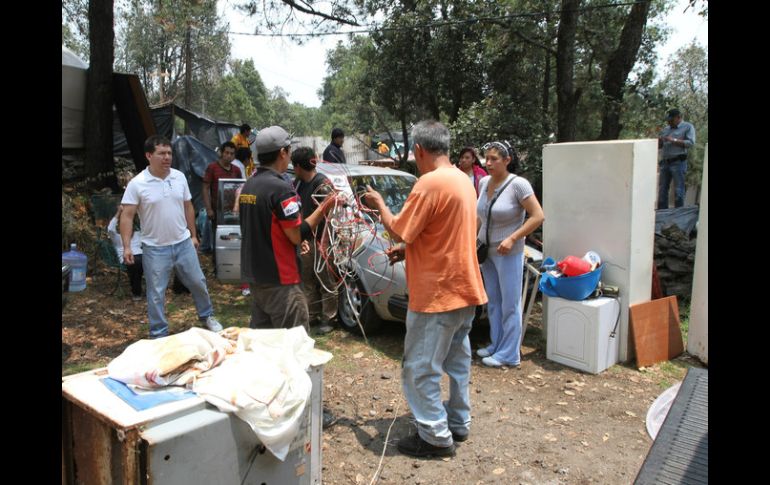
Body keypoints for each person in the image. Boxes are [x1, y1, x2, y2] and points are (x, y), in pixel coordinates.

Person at [362, 120, 487, 458]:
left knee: (420, 367)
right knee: (457, 363)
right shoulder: (463, 181)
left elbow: (399, 229)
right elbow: (446, 233)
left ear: (418, 150)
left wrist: (379, 203)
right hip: (465, 289)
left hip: (437, 295)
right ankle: (458, 422)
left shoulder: (429, 183)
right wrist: (409, 251)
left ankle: (434, 437)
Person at [120, 135, 223, 339]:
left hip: (183, 243)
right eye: (162, 153)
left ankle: (207, 316)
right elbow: (127, 216)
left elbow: (188, 206)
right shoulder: (137, 183)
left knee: (198, 282)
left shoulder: (179, 177)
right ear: (149, 156)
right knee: (156, 293)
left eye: (169, 153)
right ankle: (158, 333)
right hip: (154, 248)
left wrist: (193, 235)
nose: (167, 157)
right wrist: (127, 246)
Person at [239, 126, 336, 330]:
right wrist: (325, 206)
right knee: (294, 343)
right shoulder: (281, 189)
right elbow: (296, 235)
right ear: (283, 152)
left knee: (265, 343)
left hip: (257, 279)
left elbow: (267, 229)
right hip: (281, 282)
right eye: (289, 150)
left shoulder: (249, 186)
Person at [475, 140, 544, 368]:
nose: (488, 163)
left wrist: (513, 237)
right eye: (486, 158)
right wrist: (472, 239)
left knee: (510, 304)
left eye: (494, 159)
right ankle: (497, 344)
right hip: (487, 251)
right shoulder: (484, 182)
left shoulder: (518, 185)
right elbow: (480, 216)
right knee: (494, 301)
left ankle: (510, 353)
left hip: (509, 252)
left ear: (507, 160)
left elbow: (538, 216)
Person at [292, 147, 338, 335]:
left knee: (325, 279)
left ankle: (330, 317)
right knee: (307, 278)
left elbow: (331, 212)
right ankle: (312, 314)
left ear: (297, 166)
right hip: (305, 239)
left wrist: (323, 242)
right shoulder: (298, 183)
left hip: (322, 239)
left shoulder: (322, 184)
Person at [657, 108, 695, 209]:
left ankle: (678, 214)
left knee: (678, 190)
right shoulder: (666, 129)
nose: (669, 122)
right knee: (662, 189)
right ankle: (663, 213)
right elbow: (660, 145)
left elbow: (690, 143)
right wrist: (659, 141)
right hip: (665, 162)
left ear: (678, 117)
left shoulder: (688, 127)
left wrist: (673, 140)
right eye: (668, 120)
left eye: (671, 120)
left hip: (678, 162)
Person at [107, 205, 144, 301]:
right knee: (136, 263)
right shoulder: (117, 237)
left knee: (143, 261)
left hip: (141, 256)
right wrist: (118, 212)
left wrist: (138, 211)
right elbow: (110, 229)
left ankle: (138, 290)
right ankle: (136, 292)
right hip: (127, 258)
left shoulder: (138, 234)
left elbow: (146, 225)